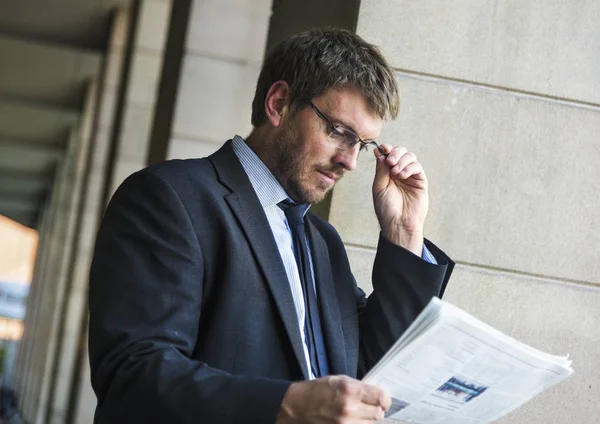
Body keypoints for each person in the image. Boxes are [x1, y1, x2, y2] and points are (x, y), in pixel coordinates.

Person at [88, 29, 454, 423]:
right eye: (339, 132)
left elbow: (369, 373)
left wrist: (403, 233)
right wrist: (287, 404)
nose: (349, 161)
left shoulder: (323, 243)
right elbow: (132, 377)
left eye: (361, 144)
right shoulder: (171, 198)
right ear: (279, 103)